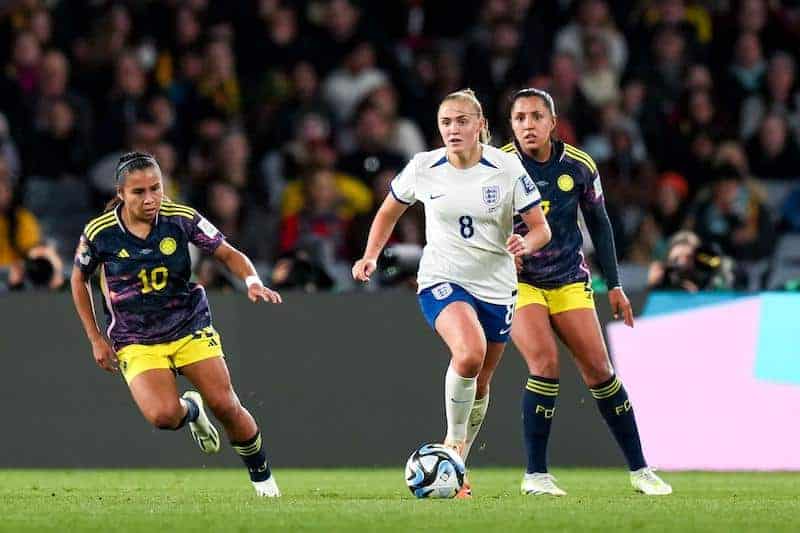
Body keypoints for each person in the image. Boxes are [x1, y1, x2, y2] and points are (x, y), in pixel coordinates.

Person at [352, 89, 551, 497]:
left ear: (480, 125)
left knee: (481, 381)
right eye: (446, 122)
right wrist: (371, 254)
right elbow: (389, 209)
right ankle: (452, 451)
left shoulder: (506, 168)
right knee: (469, 353)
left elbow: (540, 228)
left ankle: (458, 462)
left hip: (497, 285)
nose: (453, 129)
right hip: (443, 278)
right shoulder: (424, 167)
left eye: (462, 121)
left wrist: (524, 245)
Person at [70, 152, 282, 497]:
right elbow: (78, 280)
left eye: (156, 188)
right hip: (135, 338)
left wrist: (252, 281)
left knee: (226, 405)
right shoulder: (100, 232)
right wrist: (95, 338)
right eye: (139, 191)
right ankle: (191, 409)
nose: (151, 198)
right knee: (164, 416)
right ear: (121, 194)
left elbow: (228, 253)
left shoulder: (180, 217)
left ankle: (264, 481)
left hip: (188, 326)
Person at [503, 88, 672, 496]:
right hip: (518, 283)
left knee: (601, 373)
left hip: (568, 281)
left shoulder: (579, 165)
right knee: (544, 364)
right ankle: (536, 475)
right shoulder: (498, 165)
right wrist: (501, 251)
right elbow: (477, 219)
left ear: (552, 122)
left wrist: (614, 284)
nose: (528, 125)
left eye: (536, 117)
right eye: (520, 118)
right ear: (511, 125)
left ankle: (639, 470)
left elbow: (599, 224)